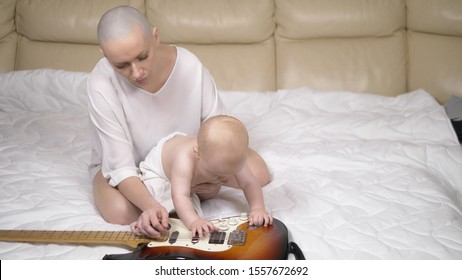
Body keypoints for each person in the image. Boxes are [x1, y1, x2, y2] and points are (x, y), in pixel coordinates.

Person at [87, 6, 271, 238]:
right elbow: (121, 167)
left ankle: (187, 191)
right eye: (121, 65)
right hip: (135, 170)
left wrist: (212, 172)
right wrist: (151, 205)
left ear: (155, 37)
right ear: (105, 54)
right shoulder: (101, 83)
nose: (136, 72)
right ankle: (179, 196)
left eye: (142, 57)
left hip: (194, 158)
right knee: (120, 212)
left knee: (259, 172)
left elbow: (220, 125)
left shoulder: (189, 65)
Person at [132, 115, 273, 237]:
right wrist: (194, 221)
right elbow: (179, 196)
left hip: (191, 171)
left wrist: (257, 208)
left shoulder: (231, 157)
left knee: (191, 200)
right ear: (197, 153)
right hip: (160, 171)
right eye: (214, 173)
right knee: (170, 211)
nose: (222, 180)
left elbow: (249, 183)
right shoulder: (184, 160)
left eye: (229, 174)